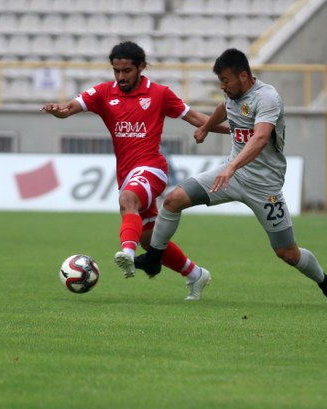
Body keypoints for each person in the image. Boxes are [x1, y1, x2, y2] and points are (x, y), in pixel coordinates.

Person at [135, 48, 327, 307]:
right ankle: (155, 258)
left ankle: (326, 283)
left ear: (244, 76)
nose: (223, 87)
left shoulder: (268, 98)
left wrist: (232, 166)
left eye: (226, 81)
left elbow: (260, 138)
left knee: (287, 253)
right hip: (230, 175)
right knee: (173, 200)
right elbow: (224, 108)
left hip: (264, 185)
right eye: (220, 82)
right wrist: (206, 126)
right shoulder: (233, 94)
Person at [41, 41, 228, 300]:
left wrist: (235, 131)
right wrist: (57, 111)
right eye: (116, 71)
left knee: (127, 200)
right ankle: (196, 274)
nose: (120, 77)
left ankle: (126, 254)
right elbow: (68, 109)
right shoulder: (105, 93)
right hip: (127, 173)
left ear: (141, 67)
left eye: (126, 71)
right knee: (150, 240)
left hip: (153, 167)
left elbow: (196, 118)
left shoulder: (160, 93)